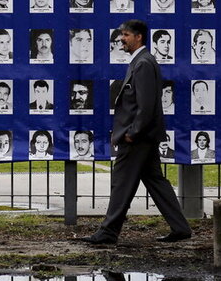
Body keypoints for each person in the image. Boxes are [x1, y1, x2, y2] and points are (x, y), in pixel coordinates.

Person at [79, 19, 192, 245]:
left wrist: (132, 132)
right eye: (121, 35)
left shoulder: (143, 63)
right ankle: (181, 228)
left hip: (137, 137)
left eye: (126, 35)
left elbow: (147, 104)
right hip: (143, 136)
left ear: (138, 36)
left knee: (121, 181)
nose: (121, 38)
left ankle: (109, 232)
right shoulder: (141, 61)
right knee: (156, 181)